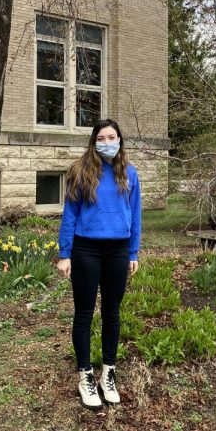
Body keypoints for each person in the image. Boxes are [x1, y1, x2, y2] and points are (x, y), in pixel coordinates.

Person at [57, 119, 141, 409]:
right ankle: (85, 375)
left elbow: (136, 216)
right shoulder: (80, 172)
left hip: (117, 251)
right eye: (102, 138)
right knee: (84, 313)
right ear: (94, 141)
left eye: (112, 137)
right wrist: (64, 253)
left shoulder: (129, 174)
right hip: (86, 250)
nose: (108, 142)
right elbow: (69, 215)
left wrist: (133, 253)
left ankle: (108, 372)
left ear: (120, 140)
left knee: (112, 313)